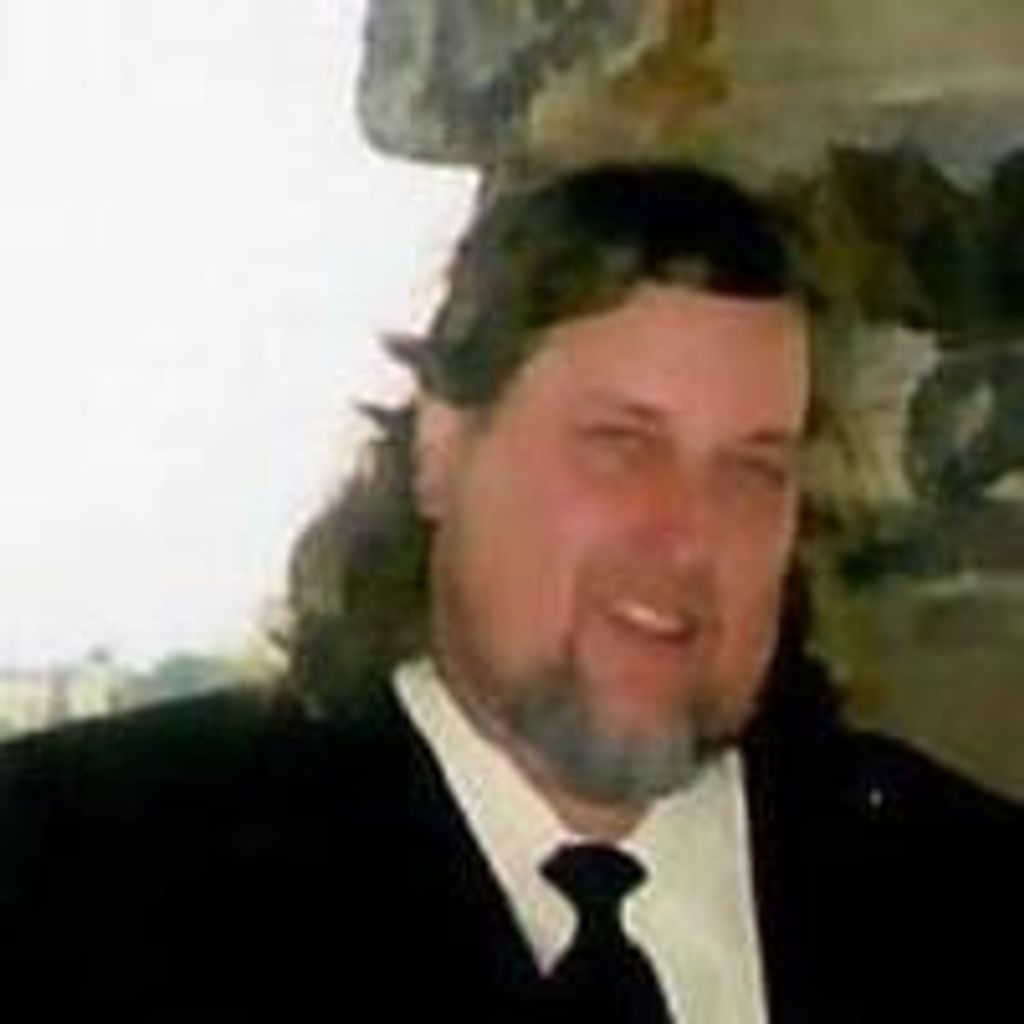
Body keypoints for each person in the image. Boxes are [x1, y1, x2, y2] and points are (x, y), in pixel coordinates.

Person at [0, 165, 1019, 1022]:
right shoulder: (80, 881)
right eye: (620, 445)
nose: (686, 534)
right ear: (440, 452)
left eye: (752, 470)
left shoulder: (965, 898)